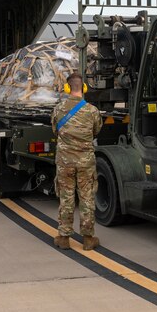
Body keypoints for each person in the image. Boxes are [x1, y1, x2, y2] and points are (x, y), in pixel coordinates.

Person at [50, 73, 103, 251]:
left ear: (67, 88)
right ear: (84, 88)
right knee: (87, 197)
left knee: (66, 197)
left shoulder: (58, 109)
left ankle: (64, 237)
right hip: (85, 161)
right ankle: (88, 238)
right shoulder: (92, 111)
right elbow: (96, 132)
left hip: (65, 161)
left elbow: (54, 131)